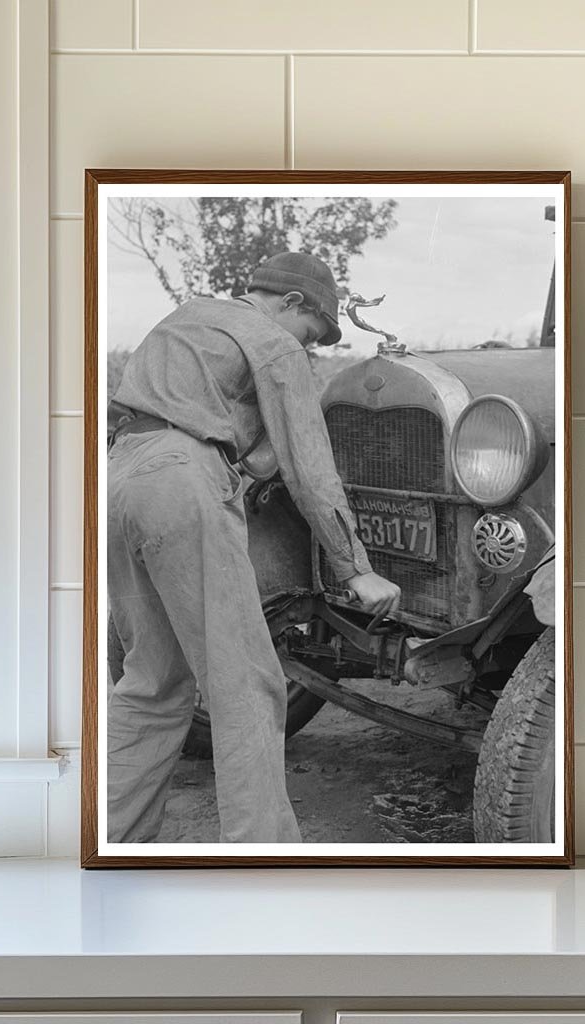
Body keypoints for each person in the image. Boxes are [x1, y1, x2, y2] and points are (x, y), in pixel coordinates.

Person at [106, 251, 401, 843]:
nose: (309, 347)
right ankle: (263, 859)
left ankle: (110, 841)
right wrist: (356, 570)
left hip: (117, 478)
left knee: (152, 682)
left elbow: (241, 442)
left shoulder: (190, 317)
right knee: (247, 685)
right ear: (291, 305)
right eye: (312, 334)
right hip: (183, 482)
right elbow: (309, 471)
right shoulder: (274, 342)